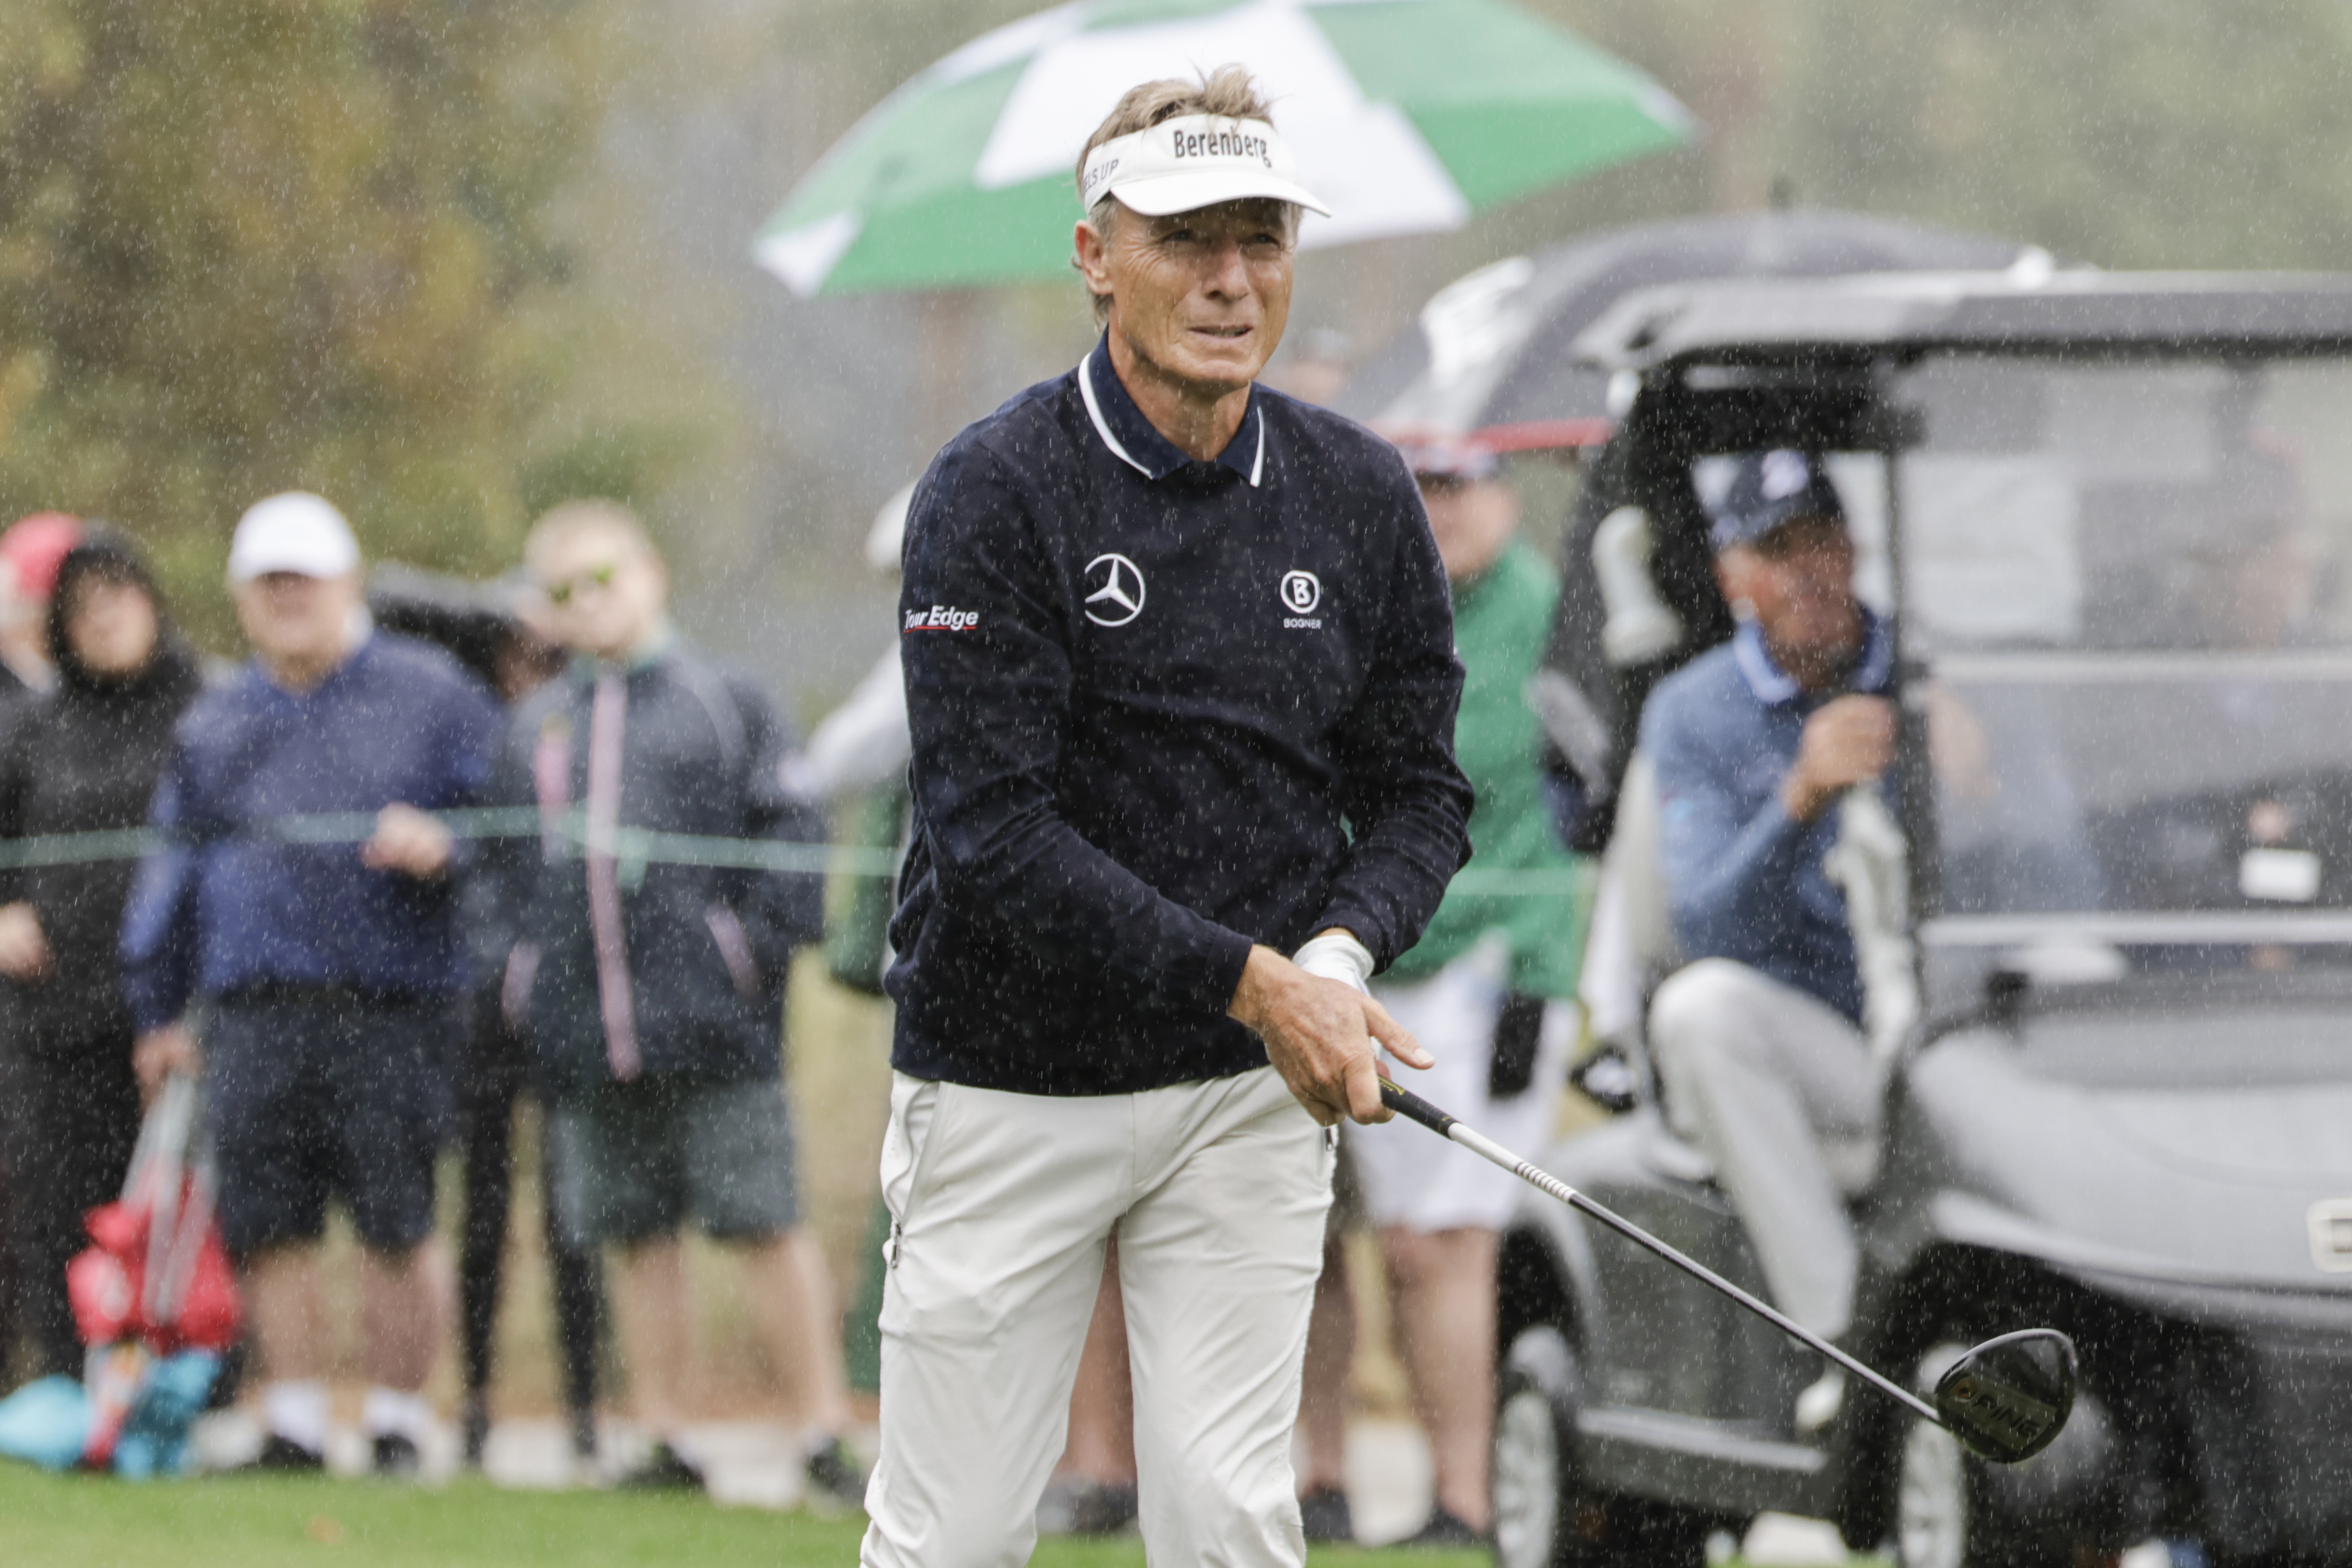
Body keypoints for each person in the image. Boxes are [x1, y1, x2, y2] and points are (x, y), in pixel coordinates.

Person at [864, 67, 1473, 1568]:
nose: (1229, 278)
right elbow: (992, 835)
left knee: (1226, 1520)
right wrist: (1259, 982)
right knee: (953, 1534)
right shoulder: (994, 490)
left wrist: (1336, 956)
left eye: (1261, 237)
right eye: (1185, 237)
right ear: (1095, 256)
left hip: (1237, 1094)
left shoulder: (1355, 492)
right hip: (1008, 1076)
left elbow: (1418, 791)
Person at [481, 500, 863, 1503]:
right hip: (583, 1036)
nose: (588, 601)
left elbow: (791, 834)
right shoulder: (537, 723)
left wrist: (746, 955)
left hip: (717, 1029)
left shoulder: (726, 699)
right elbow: (499, 872)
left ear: (649, 570)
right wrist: (521, 979)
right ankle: (665, 1434)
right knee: (634, 1232)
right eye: (563, 589)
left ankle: (821, 1429)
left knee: (761, 1222)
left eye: (602, 576)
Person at [120, 491, 504, 1476]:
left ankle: (396, 1423)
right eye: (269, 585)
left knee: (395, 1219)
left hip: (394, 1002)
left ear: (348, 584)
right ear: (243, 600)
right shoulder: (217, 716)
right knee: (270, 1222)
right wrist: (158, 1008)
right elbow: (175, 869)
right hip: (253, 1009)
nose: (288, 599)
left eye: (305, 581)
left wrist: (447, 845)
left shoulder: (434, 693)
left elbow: (508, 828)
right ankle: (291, 1421)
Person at [1341, 441, 1586, 1543]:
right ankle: (1400, 1484)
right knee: (1392, 1243)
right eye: (1422, 486)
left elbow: (1556, 811)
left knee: (1448, 1239)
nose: (1440, 509)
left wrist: (1539, 974)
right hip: (1388, 952)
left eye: (1459, 484)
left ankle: (1469, 1494)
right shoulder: (1387, 603)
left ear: (1504, 492)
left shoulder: (1546, 616)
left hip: (1492, 966)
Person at [1639, 449, 1891, 1431]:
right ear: (1734, 576)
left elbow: (2062, 880)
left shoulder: (1930, 672)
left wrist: (1985, 788)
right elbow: (1705, 924)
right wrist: (1798, 800)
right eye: (1779, 552)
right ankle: (1846, 1343)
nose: (1809, 572)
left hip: (1956, 1028)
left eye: (1822, 541)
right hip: (1828, 1045)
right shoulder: (1694, 709)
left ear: (1855, 548)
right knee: (1699, 1011)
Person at [0, 532, 203, 1378]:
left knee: (176, 1208)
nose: (104, 619)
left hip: (175, 1014)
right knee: (58, 1205)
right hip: (55, 1018)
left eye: (119, 596)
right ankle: (67, 1380)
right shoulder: (34, 728)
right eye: (81, 607)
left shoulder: (204, 713)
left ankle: (186, 1381)